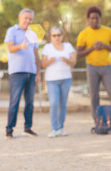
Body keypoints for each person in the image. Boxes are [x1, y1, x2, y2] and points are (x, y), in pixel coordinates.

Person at [76, 6, 111, 133]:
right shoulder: (83, 34)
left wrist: (104, 46)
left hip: (107, 67)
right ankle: (98, 124)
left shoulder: (108, 31)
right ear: (88, 19)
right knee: (93, 97)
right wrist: (92, 48)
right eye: (92, 18)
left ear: (100, 18)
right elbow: (78, 54)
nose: (94, 20)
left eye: (97, 18)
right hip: (92, 68)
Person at [4, 8, 41, 139]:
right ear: (20, 18)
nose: (28, 21)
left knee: (30, 102)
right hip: (17, 72)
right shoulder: (12, 31)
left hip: (31, 72)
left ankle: (28, 128)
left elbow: (36, 54)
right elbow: (10, 48)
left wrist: (38, 72)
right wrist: (20, 46)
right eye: (26, 18)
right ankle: (9, 129)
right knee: (14, 101)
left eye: (30, 19)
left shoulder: (33, 34)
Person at [41, 26, 77, 138]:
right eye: (54, 35)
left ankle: (61, 128)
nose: (56, 37)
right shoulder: (47, 48)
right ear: (51, 37)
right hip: (52, 80)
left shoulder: (68, 46)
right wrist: (50, 60)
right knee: (54, 103)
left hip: (66, 78)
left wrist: (65, 59)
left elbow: (73, 61)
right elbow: (43, 64)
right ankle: (54, 128)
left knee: (63, 104)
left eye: (58, 35)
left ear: (62, 36)